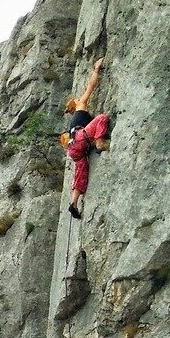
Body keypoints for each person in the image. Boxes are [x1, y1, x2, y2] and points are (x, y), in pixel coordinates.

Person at [62, 57, 111, 219]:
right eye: (75, 100)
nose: (78, 99)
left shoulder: (73, 120)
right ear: (74, 105)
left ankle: (74, 203)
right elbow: (91, 86)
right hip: (81, 139)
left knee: (81, 174)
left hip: (74, 149)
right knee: (102, 118)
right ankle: (99, 143)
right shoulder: (80, 106)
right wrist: (96, 69)